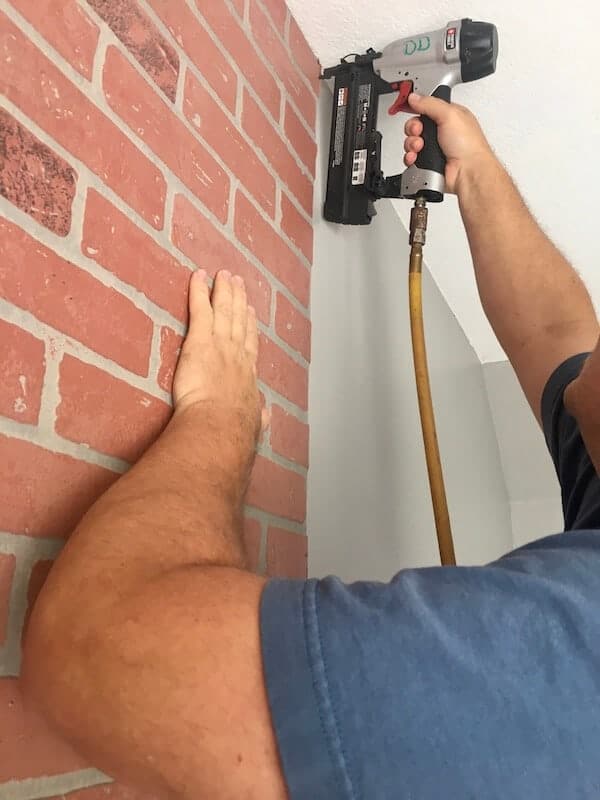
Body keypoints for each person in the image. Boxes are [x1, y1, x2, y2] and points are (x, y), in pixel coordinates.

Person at [22, 93, 600, 799]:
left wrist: (221, 422)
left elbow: (92, 651)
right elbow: (561, 340)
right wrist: (472, 170)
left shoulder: (574, 676)